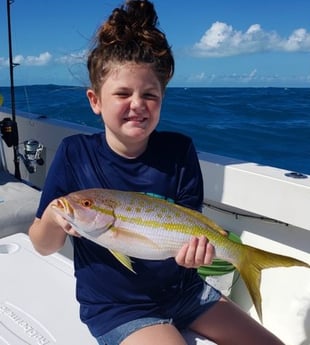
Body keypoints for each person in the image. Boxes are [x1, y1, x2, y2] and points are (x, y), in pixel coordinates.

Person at [28, 1, 285, 344]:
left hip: (187, 292)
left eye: (149, 94)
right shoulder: (75, 154)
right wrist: (52, 218)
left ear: (162, 99)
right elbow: (44, 246)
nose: (137, 103)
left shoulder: (179, 152)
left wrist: (197, 256)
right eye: (122, 93)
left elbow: (189, 226)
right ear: (95, 100)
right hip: (120, 308)